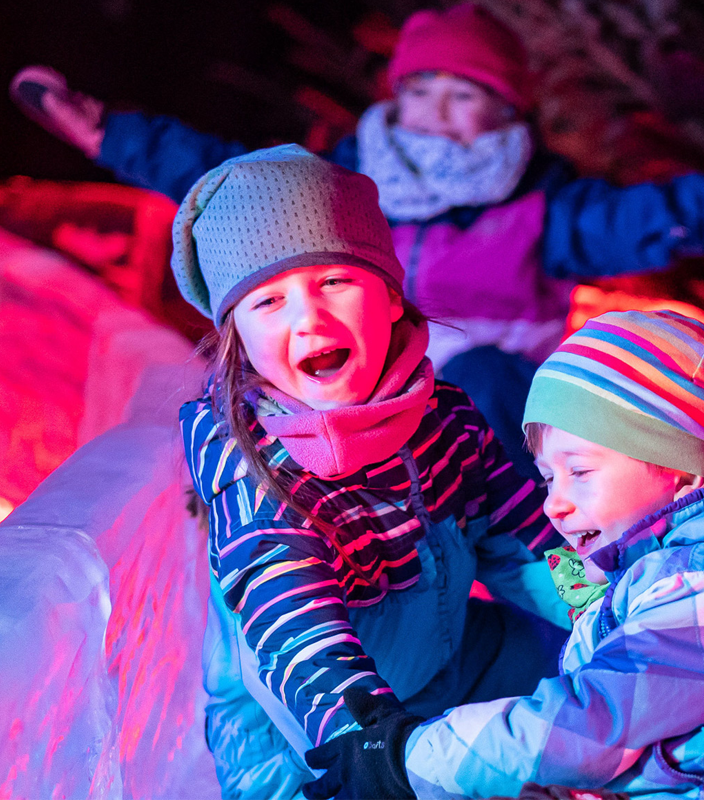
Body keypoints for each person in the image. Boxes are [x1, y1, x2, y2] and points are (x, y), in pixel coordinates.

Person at [10, 3, 704, 473]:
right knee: (279, 368)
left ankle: (528, 556)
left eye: (464, 94)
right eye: (422, 87)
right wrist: (112, 137)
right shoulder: (346, 183)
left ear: (507, 114)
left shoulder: (540, 207)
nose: (436, 109)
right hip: (362, 376)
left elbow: (640, 219)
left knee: (488, 378)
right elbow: (231, 179)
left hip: (474, 404)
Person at [301, 310, 704, 800]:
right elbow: (619, 685)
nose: (554, 505)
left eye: (580, 471)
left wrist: (412, 759)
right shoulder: (671, 574)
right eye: (546, 478)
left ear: (681, 472)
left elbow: (594, 721)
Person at [176, 144, 573, 799]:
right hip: (312, 739)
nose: (309, 318)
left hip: (451, 667)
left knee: (591, 683)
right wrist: (363, 732)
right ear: (237, 337)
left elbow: (524, 543)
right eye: (268, 302)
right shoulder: (255, 475)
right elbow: (296, 627)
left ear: (390, 297)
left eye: (334, 281)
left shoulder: (443, 419)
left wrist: (607, 607)